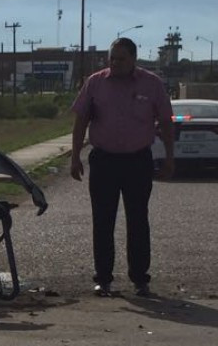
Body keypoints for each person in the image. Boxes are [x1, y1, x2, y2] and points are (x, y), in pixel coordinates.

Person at [70, 38, 174, 298]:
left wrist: (170, 159)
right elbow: (81, 120)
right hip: (104, 161)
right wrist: (74, 157)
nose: (114, 63)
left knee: (138, 220)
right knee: (102, 221)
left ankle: (140, 279)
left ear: (133, 60)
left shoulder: (152, 84)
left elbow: (166, 122)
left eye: (120, 59)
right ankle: (103, 279)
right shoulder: (95, 83)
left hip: (137, 161)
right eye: (112, 58)